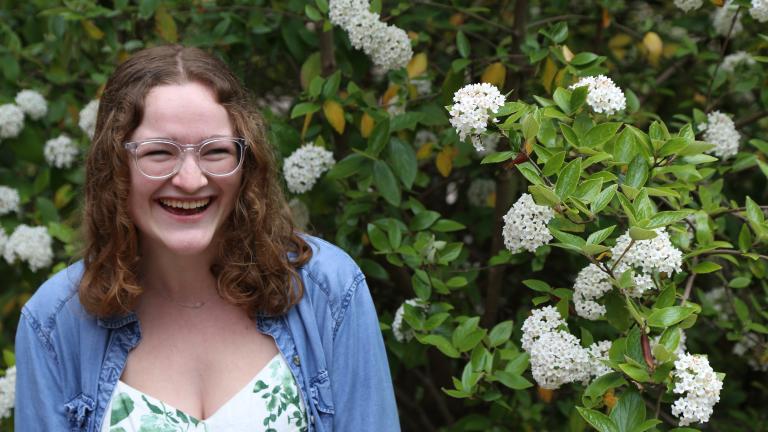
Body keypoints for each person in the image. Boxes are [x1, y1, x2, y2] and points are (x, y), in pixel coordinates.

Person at [14, 45, 399, 431]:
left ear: (246, 163)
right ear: (115, 164)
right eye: (159, 152)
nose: (191, 180)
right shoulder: (53, 322)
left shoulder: (327, 290)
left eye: (215, 150)